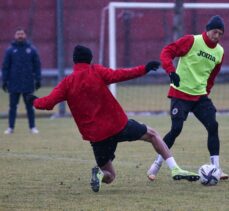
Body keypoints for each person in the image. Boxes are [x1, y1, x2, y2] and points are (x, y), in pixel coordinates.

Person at [26, 45, 199, 193]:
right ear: (90, 59)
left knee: (110, 176)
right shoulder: (96, 71)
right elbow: (121, 75)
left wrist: (33, 100)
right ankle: (175, 168)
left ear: (74, 61)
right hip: (117, 126)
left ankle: (100, 175)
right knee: (152, 134)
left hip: (97, 137)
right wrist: (144, 68)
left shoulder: (67, 82)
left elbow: (47, 103)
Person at [147, 15, 228, 181]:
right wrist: (171, 71)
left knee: (213, 125)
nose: (217, 36)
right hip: (180, 94)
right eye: (215, 32)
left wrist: (206, 91)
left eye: (221, 33)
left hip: (200, 97)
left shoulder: (220, 52)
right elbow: (167, 52)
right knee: (176, 129)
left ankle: (216, 169)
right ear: (207, 30)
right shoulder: (192, 40)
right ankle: (156, 164)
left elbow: (212, 76)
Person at [1, 28, 41, 134]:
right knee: (12, 107)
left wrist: (38, 79)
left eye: (22, 34)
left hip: (28, 83)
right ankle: (10, 127)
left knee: (30, 107)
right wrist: (4, 81)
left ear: (25, 35)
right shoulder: (10, 50)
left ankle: (32, 127)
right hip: (14, 84)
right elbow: (5, 67)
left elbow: (37, 66)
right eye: (18, 34)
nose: (20, 36)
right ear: (15, 35)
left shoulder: (31, 50)